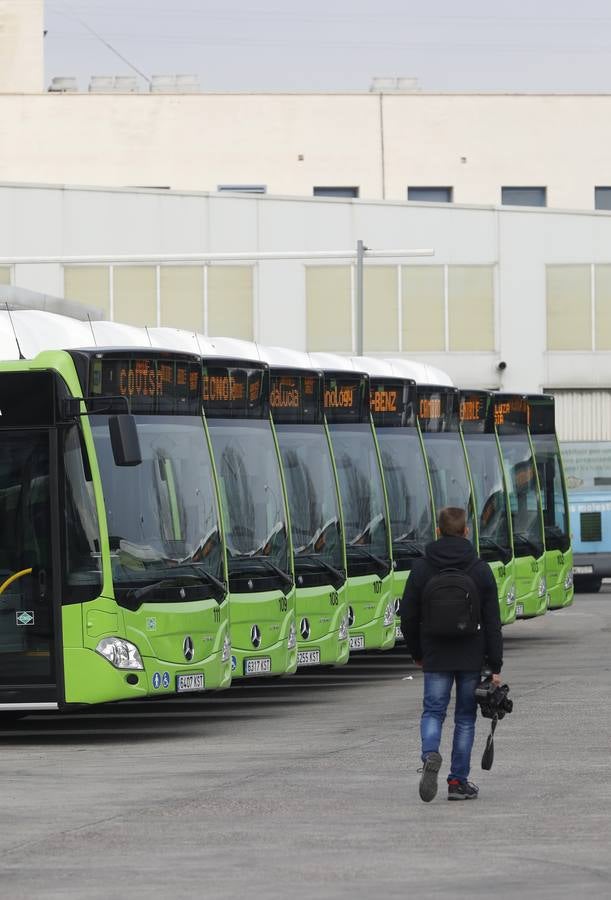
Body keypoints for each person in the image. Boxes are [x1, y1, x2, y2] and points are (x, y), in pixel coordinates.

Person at [400, 506, 503, 802]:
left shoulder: (421, 569)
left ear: (437, 531)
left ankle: (430, 753)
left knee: (433, 710)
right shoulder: (480, 569)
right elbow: (493, 622)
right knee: (465, 718)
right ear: (466, 532)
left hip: (434, 653)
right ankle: (457, 781)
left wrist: (417, 653)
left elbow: (407, 615)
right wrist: (494, 664)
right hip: (471, 655)